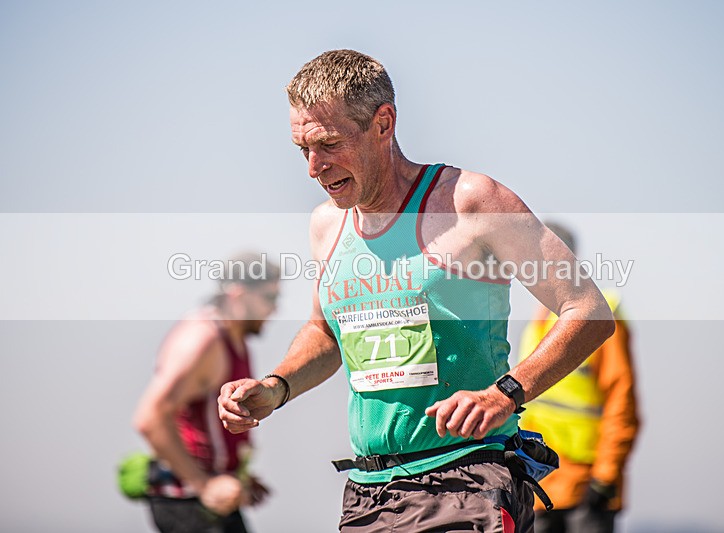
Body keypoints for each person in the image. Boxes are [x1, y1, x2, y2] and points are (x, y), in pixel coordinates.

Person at [217, 49, 615, 532]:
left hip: (468, 479)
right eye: (303, 150)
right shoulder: (326, 226)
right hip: (371, 491)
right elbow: (326, 333)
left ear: (383, 123)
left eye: (328, 144)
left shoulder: (470, 201)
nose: (313, 168)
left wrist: (505, 394)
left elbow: (587, 309)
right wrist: (275, 387)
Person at [134, 252, 280, 533]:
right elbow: (149, 418)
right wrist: (205, 485)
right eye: (269, 298)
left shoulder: (233, 338)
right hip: (189, 501)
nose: (275, 309)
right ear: (238, 295)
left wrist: (234, 474)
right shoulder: (203, 340)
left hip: (212, 497)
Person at [518, 222, 640, 533]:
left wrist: (605, 478)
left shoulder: (601, 317)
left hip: (587, 490)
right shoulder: (540, 320)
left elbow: (621, 402)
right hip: (540, 486)